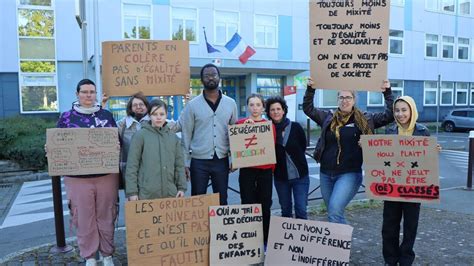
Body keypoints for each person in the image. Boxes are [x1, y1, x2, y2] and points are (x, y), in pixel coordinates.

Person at [303, 78, 394, 224]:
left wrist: (387, 92)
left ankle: (342, 244)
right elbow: (308, 108)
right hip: (326, 173)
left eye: (348, 97)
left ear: (354, 100)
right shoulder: (328, 117)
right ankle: (340, 243)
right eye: (341, 97)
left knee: (334, 210)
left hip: (349, 173)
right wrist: (310, 89)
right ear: (337, 99)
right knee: (334, 212)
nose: (344, 100)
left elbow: (389, 115)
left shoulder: (365, 119)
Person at [56, 79, 118, 266]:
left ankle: (107, 254)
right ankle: (89, 256)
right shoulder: (66, 118)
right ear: (77, 94)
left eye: (92, 92)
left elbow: (117, 141)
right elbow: (58, 144)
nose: (88, 95)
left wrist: (116, 145)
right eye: (84, 92)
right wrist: (51, 148)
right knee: (83, 217)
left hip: (106, 176)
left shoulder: (106, 116)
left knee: (107, 214)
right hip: (78, 178)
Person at [382, 96, 441, 266]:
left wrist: (433, 151)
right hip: (392, 186)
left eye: (404, 110)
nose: (400, 114)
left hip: (414, 187)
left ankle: (406, 259)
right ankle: (390, 259)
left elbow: (427, 161)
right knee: (389, 226)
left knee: (410, 226)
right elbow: (382, 156)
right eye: (397, 110)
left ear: (412, 111)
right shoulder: (390, 130)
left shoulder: (423, 131)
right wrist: (369, 148)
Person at [179, 64, 238, 205]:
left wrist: (235, 158)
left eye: (214, 75)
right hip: (199, 161)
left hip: (221, 159)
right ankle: (200, 227)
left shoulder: (231, 103)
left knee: (222, 199)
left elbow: (234, 132)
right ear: (201, 80)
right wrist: (185, 163)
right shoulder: (192, 105)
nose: (211, 78)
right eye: (207, 76)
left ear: (219, 78)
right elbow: (186, 134)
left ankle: (220, 227)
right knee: (198, 200)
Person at [125, 99, 186, 200]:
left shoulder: (173, 137)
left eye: (162, 114)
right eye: (154, 114)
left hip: (170, 193)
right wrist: (132, 192)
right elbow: (132, 166)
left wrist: (181, 188)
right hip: (146, 194)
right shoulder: (140, 136)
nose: (158, 117)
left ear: (166, 115)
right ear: (149, 115)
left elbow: (179, 165)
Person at [236, 93, 275, 246]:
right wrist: (245, 128)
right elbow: (235, 142)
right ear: (247, 107)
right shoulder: (240, 123)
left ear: (263, 107)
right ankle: (249, 237)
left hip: (265, 170)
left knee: (265, 204)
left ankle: (265, 238)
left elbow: (270, 146)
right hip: (247, 171)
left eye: (258, 105)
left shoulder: (268, 125)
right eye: (251, 105)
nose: (255, 108)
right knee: (247, 203)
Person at [266, 96, 309, 219]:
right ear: (269, 113)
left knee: (301, 209)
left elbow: (303, 145)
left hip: (300, 176)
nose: (276, 112)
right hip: (281, 178)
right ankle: (288, 238)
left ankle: (301, 238)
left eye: (278, 109)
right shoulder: (266, 131)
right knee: (285, 210)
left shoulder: (296, 127)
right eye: (272, 109)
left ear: (284, 110)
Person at [116, 92, 150, 188]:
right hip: (130, 172)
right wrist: (103, 104)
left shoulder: (155, 121)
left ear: (147, 106)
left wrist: (187, 102)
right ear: (130, 108)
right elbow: (105, 130)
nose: (138, 107)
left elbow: (178, 125)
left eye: (141, 104)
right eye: (135, 105)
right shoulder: (121, 125)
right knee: (133, 199)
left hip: (151, 170)